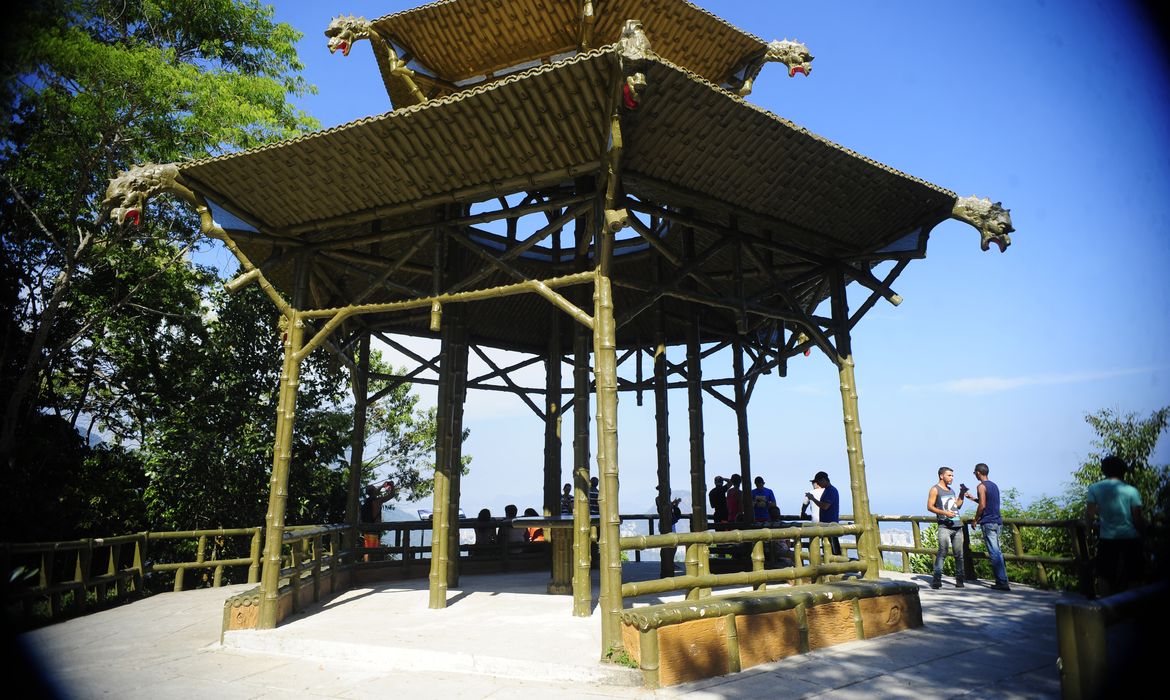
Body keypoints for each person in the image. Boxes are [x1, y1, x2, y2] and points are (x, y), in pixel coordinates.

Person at [1086, 455, 1145, 596]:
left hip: (1107, 537)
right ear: (1123, 471)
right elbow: (1137, 519)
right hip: (1131, 538)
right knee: (1134, 575)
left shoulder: (1094, 488)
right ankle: (1132, 607)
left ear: (1104, 471)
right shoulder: (1132, 491)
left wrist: (1089, 533)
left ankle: (1106, 608)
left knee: (1104, 575)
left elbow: (1090, 514)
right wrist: (1144, 535)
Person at [965, 462, 1010, 591]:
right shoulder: (994, 485)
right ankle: (1003, 580)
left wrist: (975, 520)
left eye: (974, 472)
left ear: (978, 472)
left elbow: (983, 505)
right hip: (997, 521)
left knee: (994, 552)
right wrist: (973, 499)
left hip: (988, 522)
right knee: (998, 552)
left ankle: (1002, 582)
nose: (974, 475)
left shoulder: (981, 486)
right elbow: (988, 502)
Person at [927, 466, 968, 589]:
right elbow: (929, 506)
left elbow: (958, 505)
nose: (952, 478)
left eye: (952, 476)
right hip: (944, 526)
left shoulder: (951, 490)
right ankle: (937, 580)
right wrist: (945, 513)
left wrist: (962, 493)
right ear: (941, 476)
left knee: (959, 554)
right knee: (942, 552)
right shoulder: (935, 489)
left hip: (957, 525)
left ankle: (960, 580)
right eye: (949, 475)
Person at [804, 471, 841, 556]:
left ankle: (836, 566)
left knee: (833, 549)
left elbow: (825, 506)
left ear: (824, 480)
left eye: (818, 481)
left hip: (830, 525)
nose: (818, 484)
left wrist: (812, 498)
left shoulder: (830, 491)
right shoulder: (828, 490)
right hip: (828, 524)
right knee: (828, 548)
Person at [360, 480, 395, 558]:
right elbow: (392, 495)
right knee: (374, 551)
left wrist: (382, 486)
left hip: (366, 529)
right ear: (374, 491)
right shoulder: (378, 501)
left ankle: (366, 566)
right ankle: (371, 566)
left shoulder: (366, 502)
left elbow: (375, 493)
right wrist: (392, 486)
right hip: (375, 529)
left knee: (367, 550)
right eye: (375, 488)